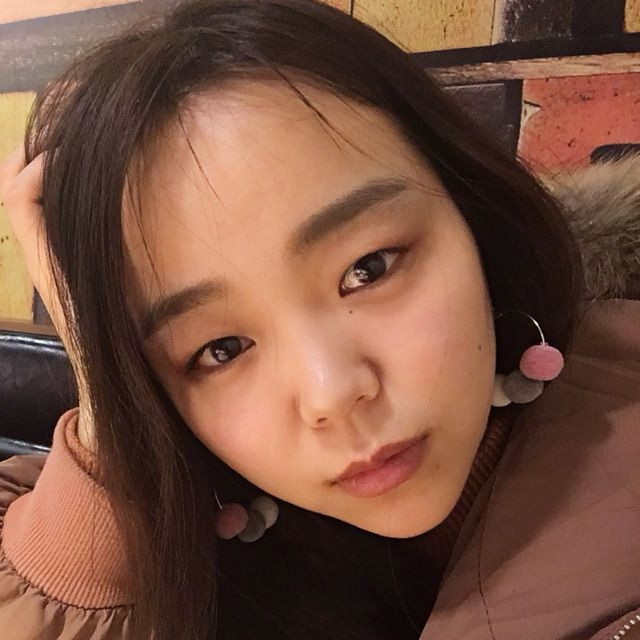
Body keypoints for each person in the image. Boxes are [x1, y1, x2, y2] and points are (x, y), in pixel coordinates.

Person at [0, 0, 638, 638]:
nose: (331, 393)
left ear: (472, 212)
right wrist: (103, 384)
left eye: (368, 269)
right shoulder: (195, 534)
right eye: (223, 348)